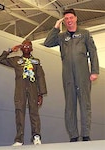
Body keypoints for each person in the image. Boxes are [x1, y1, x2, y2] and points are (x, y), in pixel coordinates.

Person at [44, 8, 99, 142]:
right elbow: (47, 43)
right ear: (64, 21)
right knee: (70, 105)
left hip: (83, 74)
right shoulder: (62, 37)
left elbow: (93, 52)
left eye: (71, 18)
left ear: (75, 18)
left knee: (85, 104)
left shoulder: (84, 34)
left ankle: (85, 135)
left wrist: (94, 71)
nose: (69, 21)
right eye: (66, 19)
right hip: (67, 75)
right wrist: (56, 28)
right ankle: (73, 135)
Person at [0, 39, 47, 146]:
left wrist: (41, 94)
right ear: (21, 48)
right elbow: (0, 59)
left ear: (32, 49)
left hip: (33, 89)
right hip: (20, 90)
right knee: (19, 112)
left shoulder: (36, 61)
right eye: (24, 46)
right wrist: (10, 50)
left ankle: (36, 137)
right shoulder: (16, 60)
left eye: (29, 46)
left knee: (34, 112)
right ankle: (19, 139)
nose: (26, 48)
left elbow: (40, 77)